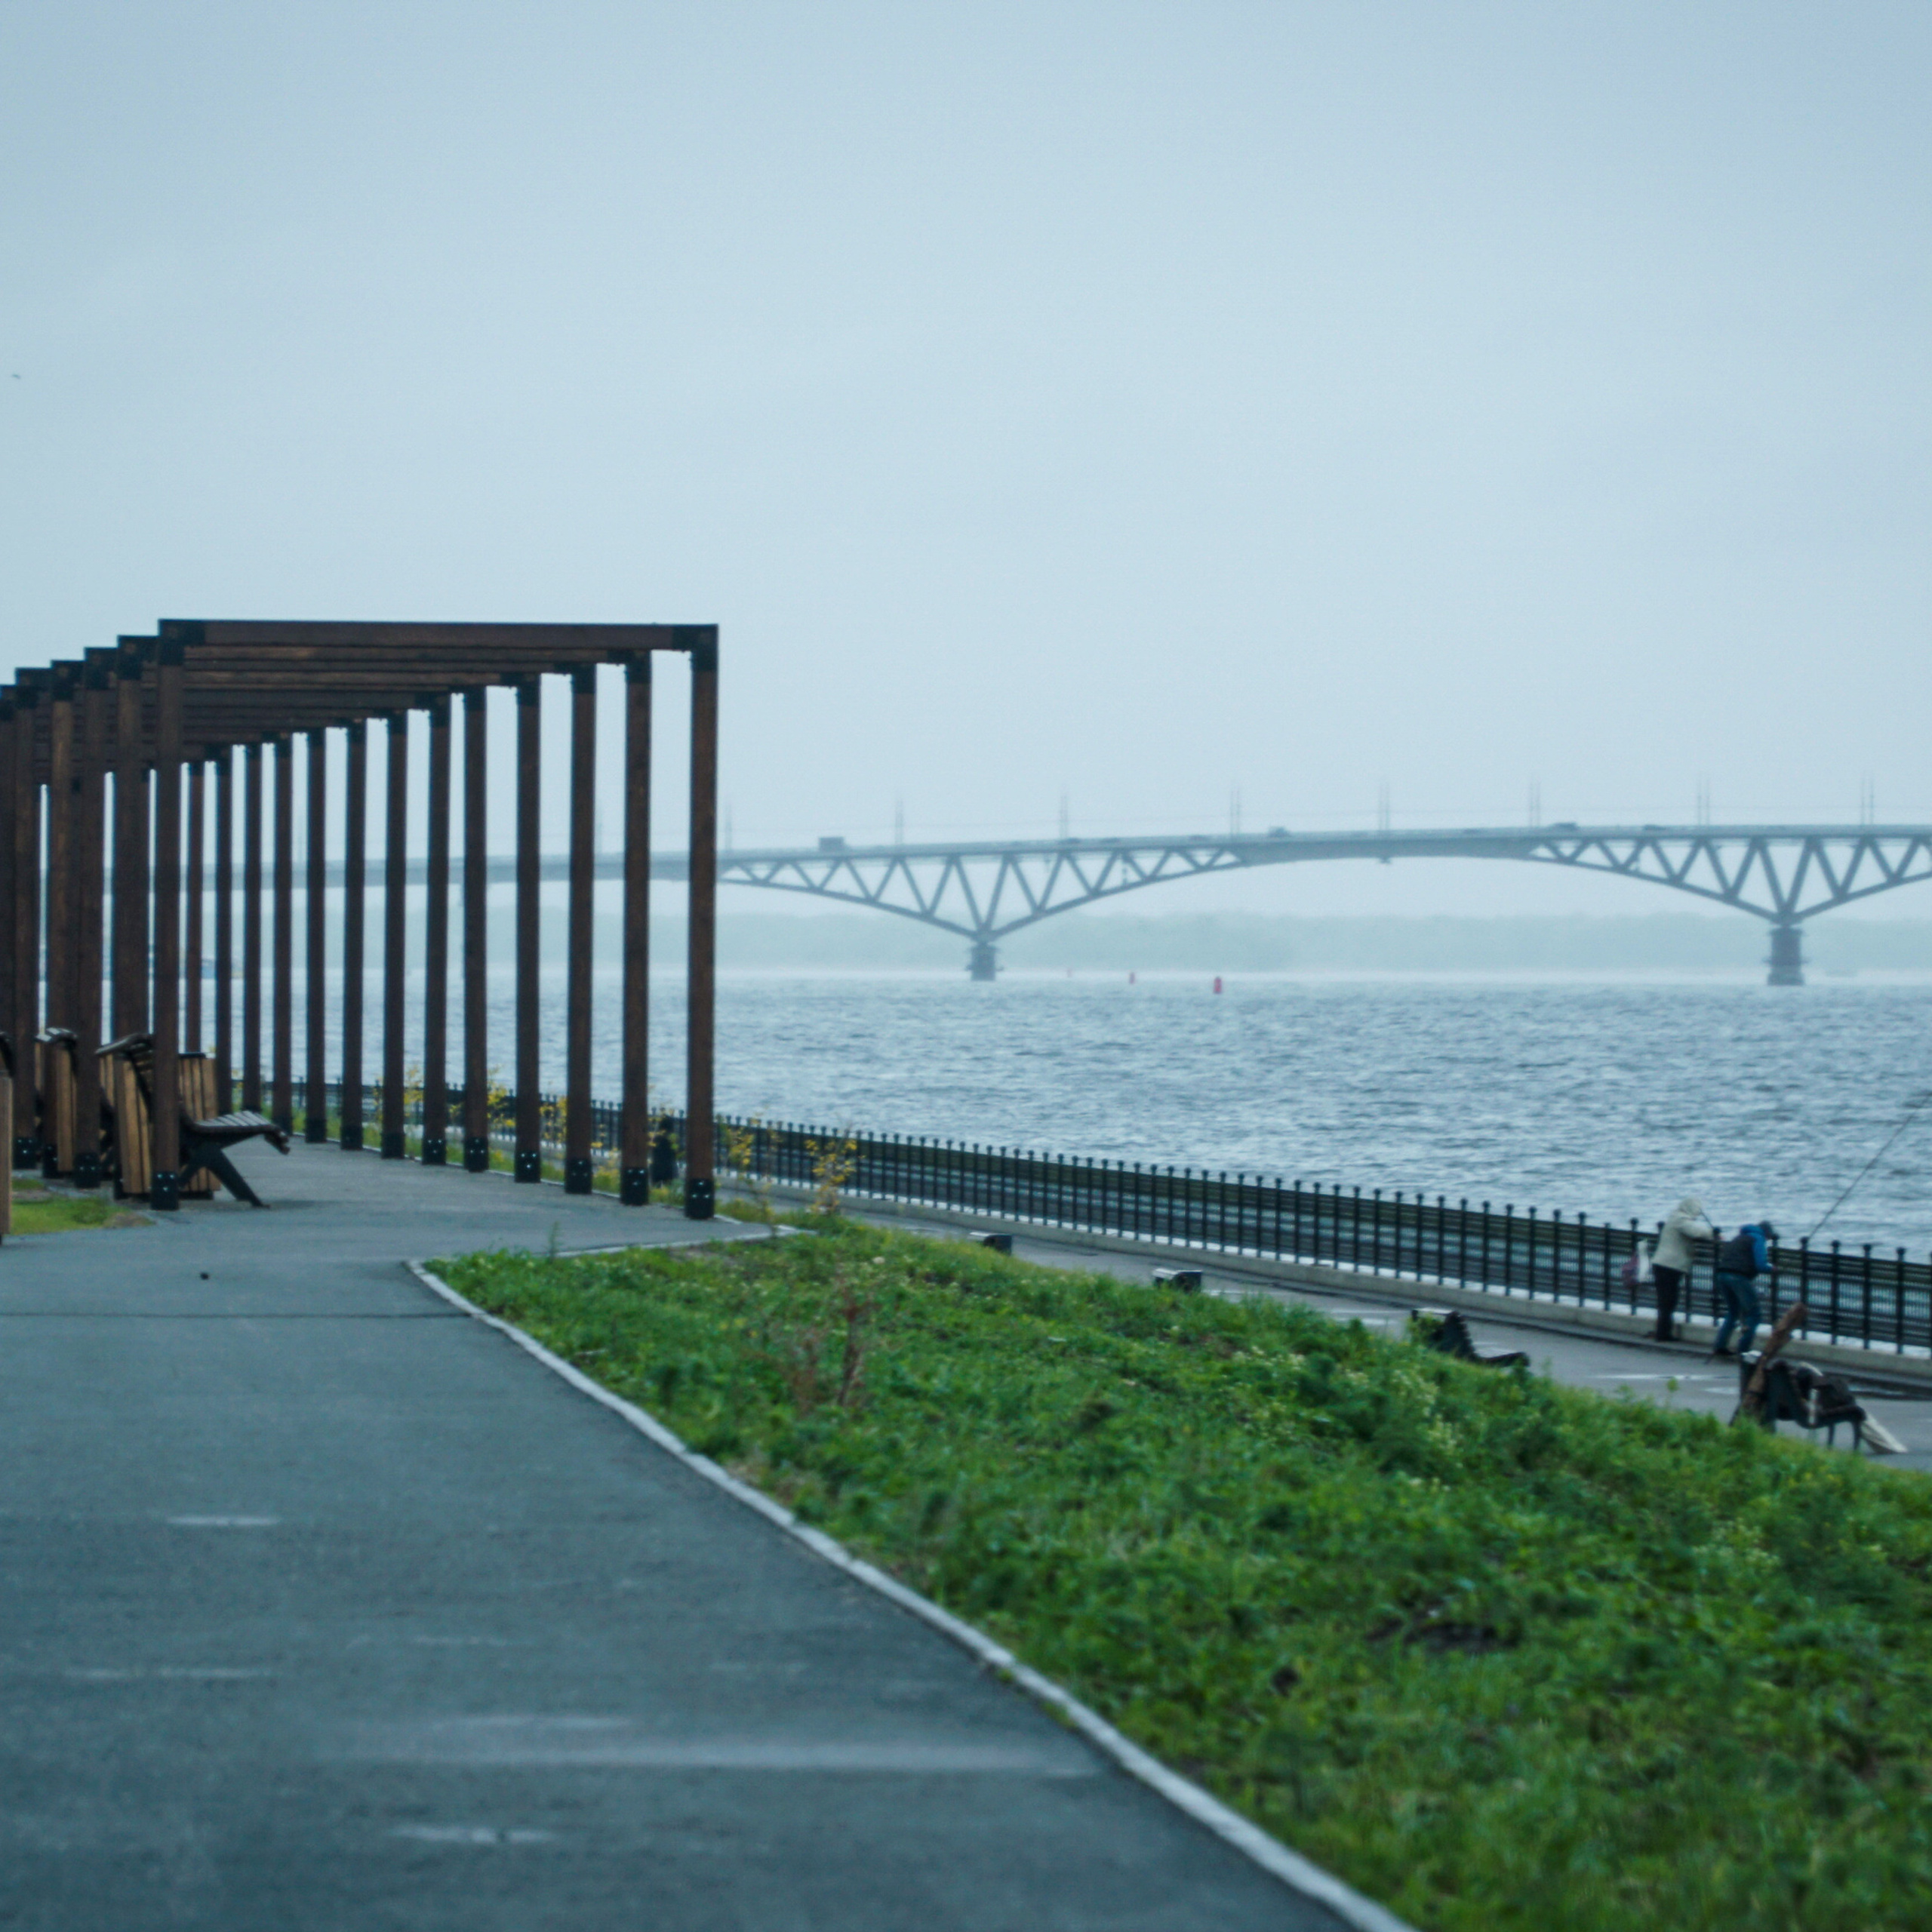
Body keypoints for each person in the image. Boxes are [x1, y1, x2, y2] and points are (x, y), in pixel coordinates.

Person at [1711, 1219, 1778, 1358]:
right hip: (1738, 1277)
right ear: (1767, 1233)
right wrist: (1772, 1268)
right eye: (1769, 1237)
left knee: (1733, 1311)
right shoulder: (1758, 1239)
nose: (1767, 1240)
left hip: (1722, 1275)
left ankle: (1720, 1346)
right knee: (1755, 1314)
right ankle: (1744, 1351)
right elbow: (1760, 1265)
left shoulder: (1740, 1237)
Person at [1650, 1195, 1713, 1342]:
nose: (1697, 1214)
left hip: (1664, 1264)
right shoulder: (1680, 1219)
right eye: (1697, 1211)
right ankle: (1663, 1334)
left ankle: (1663, 1331)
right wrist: (1713, 1233)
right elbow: (1696, 1232)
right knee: (1668, 1300)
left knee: (1666, 1300)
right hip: (1669, 1266)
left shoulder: (1675, 1217)